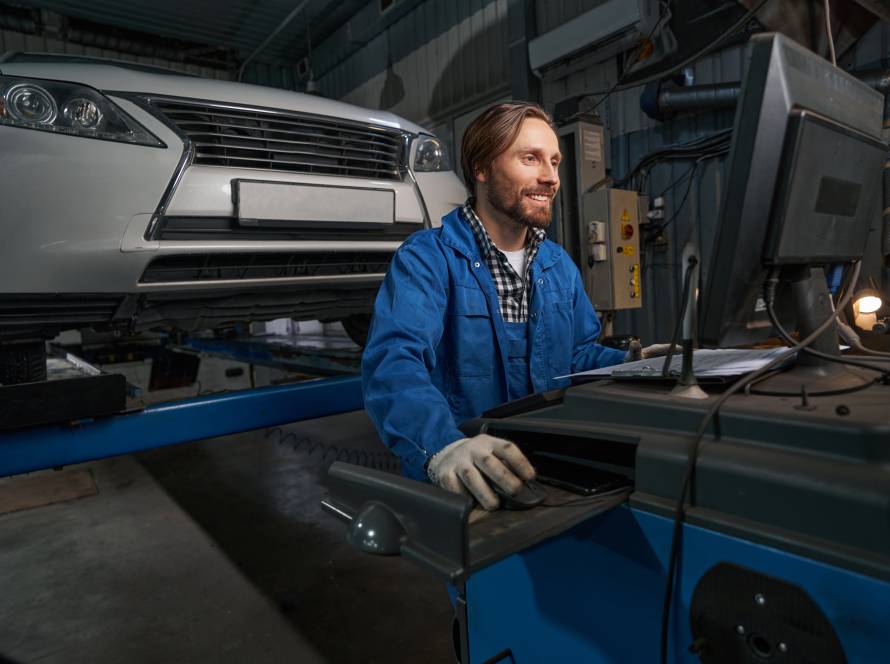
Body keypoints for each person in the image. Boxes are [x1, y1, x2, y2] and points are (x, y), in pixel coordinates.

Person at [362, 102, 644, 510]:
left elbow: (577, 355)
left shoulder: (558, 265)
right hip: (466, 486)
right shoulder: (427, 259)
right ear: (481, 168)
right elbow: (394, 365)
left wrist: (638, 364)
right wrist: (443, 447)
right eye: (529, 159)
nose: (549, 177)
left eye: (554, 161)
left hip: (548, 474)